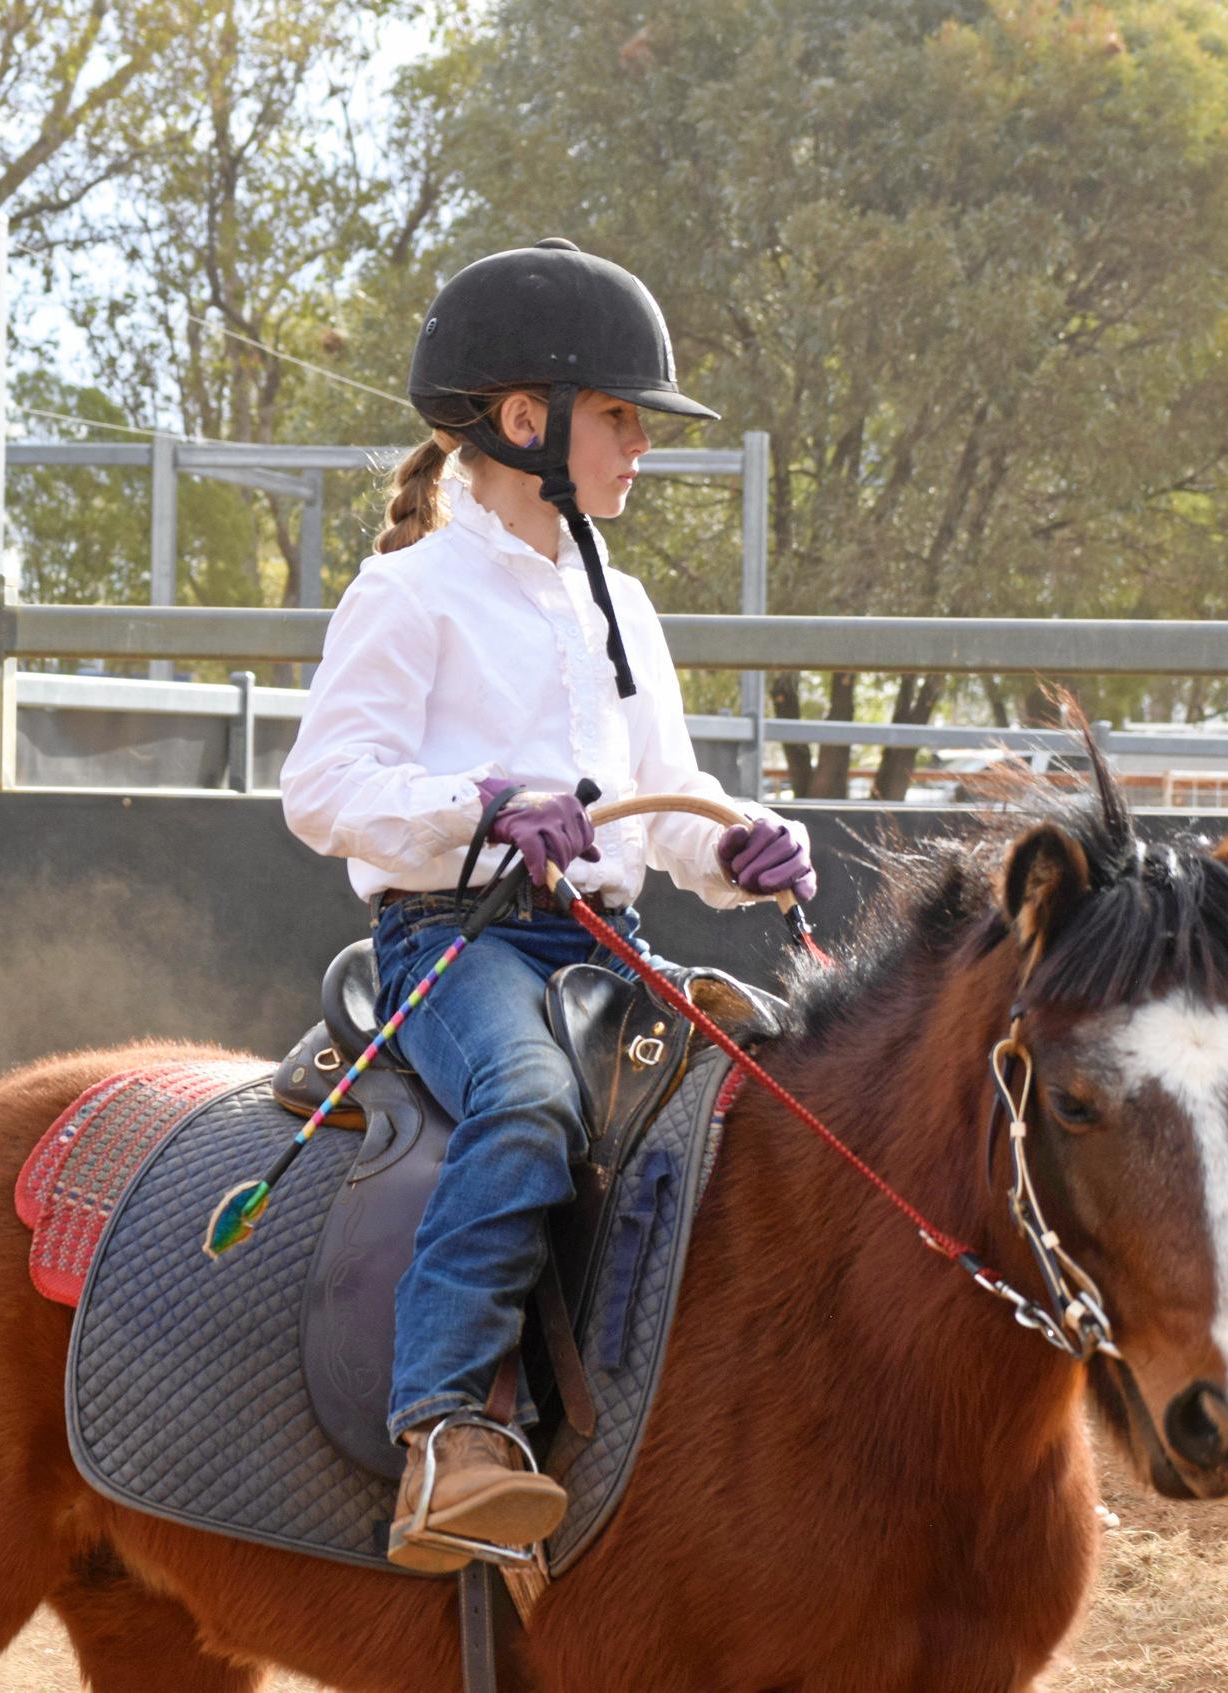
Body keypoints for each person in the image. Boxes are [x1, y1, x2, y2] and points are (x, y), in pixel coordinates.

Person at [279, 238, 819, 1572]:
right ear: (527, 422)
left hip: (604, 942)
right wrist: (479, 803)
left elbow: (664, 787)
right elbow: (322, 784)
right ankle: (444, 1430)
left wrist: (732, 840)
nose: (641, 446)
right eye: (622, 416)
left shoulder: (618, 600)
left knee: (783, 1105)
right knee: (526, 1105)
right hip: (459, 941)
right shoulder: (408, 592)